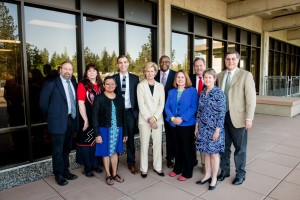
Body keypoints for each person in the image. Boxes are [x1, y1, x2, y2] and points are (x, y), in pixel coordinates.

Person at [217, 49, 256, 185]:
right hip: (223, 118)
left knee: (240, 149)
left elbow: (251, 99)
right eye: (228, 59)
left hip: (238, 118)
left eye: (233, 59)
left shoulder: (245, 75)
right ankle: (225, 171)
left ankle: (240, 174)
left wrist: (249, 118)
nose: (230, 61)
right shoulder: (220, 75)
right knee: (224, 147)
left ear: (238, 60)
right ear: (225, 60)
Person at [39, 61, 79, 186]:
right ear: (60, 70)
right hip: (57, 121)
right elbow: (43, 104)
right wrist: (51, 117)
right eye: (65, 69)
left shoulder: (73, 83)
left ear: (72, 71)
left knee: (67, 148)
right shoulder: (51, 83)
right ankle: (59, 174)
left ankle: (66, 171)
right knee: (57, 149)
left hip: (71, 120)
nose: (68, 71)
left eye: (70, 69)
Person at [92, 76, 128, 185]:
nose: (110, 86)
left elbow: (124, 116)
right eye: (107, 84)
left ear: (116, 86)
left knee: (115, 152)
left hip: (117, 129)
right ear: (103, 85)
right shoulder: (99, 98)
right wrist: (97, 134)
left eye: (112, 84)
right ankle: (108, 174)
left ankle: (114, 173)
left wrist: (125, 132)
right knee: (106, 152)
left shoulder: (120, 98)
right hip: (104, 129)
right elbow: (94, 117)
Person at [195, 68, 226, 190]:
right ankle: (207, 174)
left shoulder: (219, 93)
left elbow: (222, 113)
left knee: (213, 153)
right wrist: (197, 126)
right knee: (205, 152)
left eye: (209, 77)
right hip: (203, 128)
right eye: (205, 77)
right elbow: (199, 111)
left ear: (214, 79)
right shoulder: (203, 93)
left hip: (214, 129)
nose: (207, 79)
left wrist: (217, 130)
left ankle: (214, 178)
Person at [165, 70, 198, 181]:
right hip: (173, 124)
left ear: (186, 79)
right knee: (177, 147)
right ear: (175, 80)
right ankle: (177, 168)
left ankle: (188, 172)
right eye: (178, 77)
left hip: (187, 124)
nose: (180, 79)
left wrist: (182, 118)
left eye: (182, 77)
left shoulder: (192, 91)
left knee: (187, 148)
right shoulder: (171, 92)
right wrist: (173, 118)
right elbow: (167, 108)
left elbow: (193, 107)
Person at [137, 62, 165, 178]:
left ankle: (158, 167)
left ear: (155, 72)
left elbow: (161, 104)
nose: (150, 73)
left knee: (158, 145)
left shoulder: (160, 86)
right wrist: (149, 118)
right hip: (144, 120)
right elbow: (141, 104)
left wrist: (154, 118)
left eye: (152, 71)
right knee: (144, 144)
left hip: (157, 120)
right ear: (145, 72)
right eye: (147, 71)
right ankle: (144, 168)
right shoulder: (140, 86)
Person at [113, 55, 139, 174]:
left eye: (125, 62)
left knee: (130, 140)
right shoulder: (113, 78)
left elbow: (137, 97)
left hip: (129, 113)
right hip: (117, 113)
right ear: (117, 64)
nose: (123, 65)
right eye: (120, 63)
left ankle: (131, 163)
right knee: (116, 138)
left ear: (128, 63)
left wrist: (136, 113)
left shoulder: (135, 78)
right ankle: (114, 163)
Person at [76, 63, 103, 177]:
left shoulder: (101, 85)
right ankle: (87, 167)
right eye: (89, 70)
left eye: (94, 70)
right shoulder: (82, 85)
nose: (92, 72)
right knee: (86, 143)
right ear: (86, 73)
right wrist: (85, 120)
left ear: (97, 72)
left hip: (99, 119)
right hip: (86, 118)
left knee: (97, 142)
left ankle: (96, 164)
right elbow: (81, 103)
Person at [154, 55, 176, 168]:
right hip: (156, 110)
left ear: (169, 63)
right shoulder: (154, 74)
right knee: (157, 135)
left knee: (170, 135)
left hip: (169, 110)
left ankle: (170, 158)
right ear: (159, 63)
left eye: (166, 61)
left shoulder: (175, 75)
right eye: (162, 61)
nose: (164, 63)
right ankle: (158, 157)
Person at [190, 57, 207, 174]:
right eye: (196, 66)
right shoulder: (189, 79)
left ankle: (205, 164)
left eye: (200, 65)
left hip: (204, 115)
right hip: (191, 114)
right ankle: (192, 160)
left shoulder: (209, 78)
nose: (198, 68)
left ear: (204, 66)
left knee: (202, 139)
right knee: (190, 139)